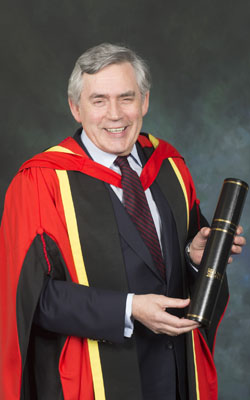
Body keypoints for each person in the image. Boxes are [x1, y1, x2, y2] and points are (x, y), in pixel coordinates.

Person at [0, 43, 246, 400]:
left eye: (126, 98)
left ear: (144, 102)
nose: (115, 114)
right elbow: (32, 298)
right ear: (76, 108)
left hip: (176, 376)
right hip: (92, 381)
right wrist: (128, 309)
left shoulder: (169, 167)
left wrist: (195, 259)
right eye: (99, 100)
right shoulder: (41, 181)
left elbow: (189, 274)